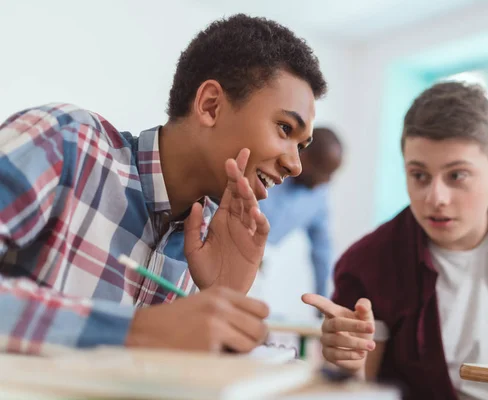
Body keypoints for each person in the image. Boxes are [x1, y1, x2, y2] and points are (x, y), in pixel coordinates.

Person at [0, 14, 327, 356]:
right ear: (210, 106)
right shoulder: (65, 140)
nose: (295, 165)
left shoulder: (220, 238)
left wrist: (224, 296)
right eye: (286, 129)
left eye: (302, 146)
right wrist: (138, 331)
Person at [302, 81, 488, 399]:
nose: (436, 198)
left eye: (456, 175)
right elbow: (360, 386)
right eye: (419, 175)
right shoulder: (368, 262)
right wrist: (348, 363)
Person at [258, 127, 342, 298]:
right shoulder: (266, 168)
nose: (325, 181)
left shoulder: (318, 196)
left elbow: (322, 252)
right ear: (303, 154)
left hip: (256, 266)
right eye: (322, 171)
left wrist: (324, 302)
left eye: (329, 175)